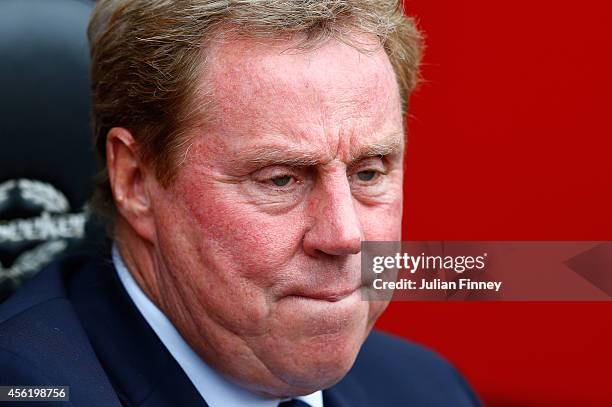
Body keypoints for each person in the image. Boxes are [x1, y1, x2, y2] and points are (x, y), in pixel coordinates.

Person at [0, 1, 482, 406]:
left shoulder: (429, 389)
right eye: (280, 179)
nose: (346, 236)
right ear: (136, 181)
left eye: (369, 173)